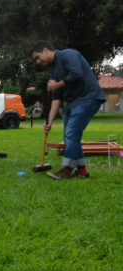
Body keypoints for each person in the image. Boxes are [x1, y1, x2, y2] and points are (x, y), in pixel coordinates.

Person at [31, 41, 106, 180]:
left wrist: (57, 85)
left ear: (46, 50)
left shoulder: (68, 54)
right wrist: (50, 120)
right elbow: (57, 96)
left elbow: (76, 74)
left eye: (37, 57)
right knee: (69, 137)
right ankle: (82, 171)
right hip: (73, 102)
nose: (37, 61)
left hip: (88, 97)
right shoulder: (54, 70)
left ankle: (67, 170)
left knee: (72, 134)